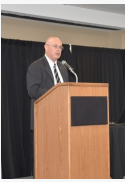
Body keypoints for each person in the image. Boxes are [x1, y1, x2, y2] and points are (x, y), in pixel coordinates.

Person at [26, 36, 69, 175]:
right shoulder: (36, 66)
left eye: (60, 47)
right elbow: (33, 90)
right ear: (46, 47)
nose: (58, 49)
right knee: (44, 157)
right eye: (55, 46)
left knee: (60, 156)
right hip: (44, 119)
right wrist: (55, 93)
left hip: (63, 119)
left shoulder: (63, 68)